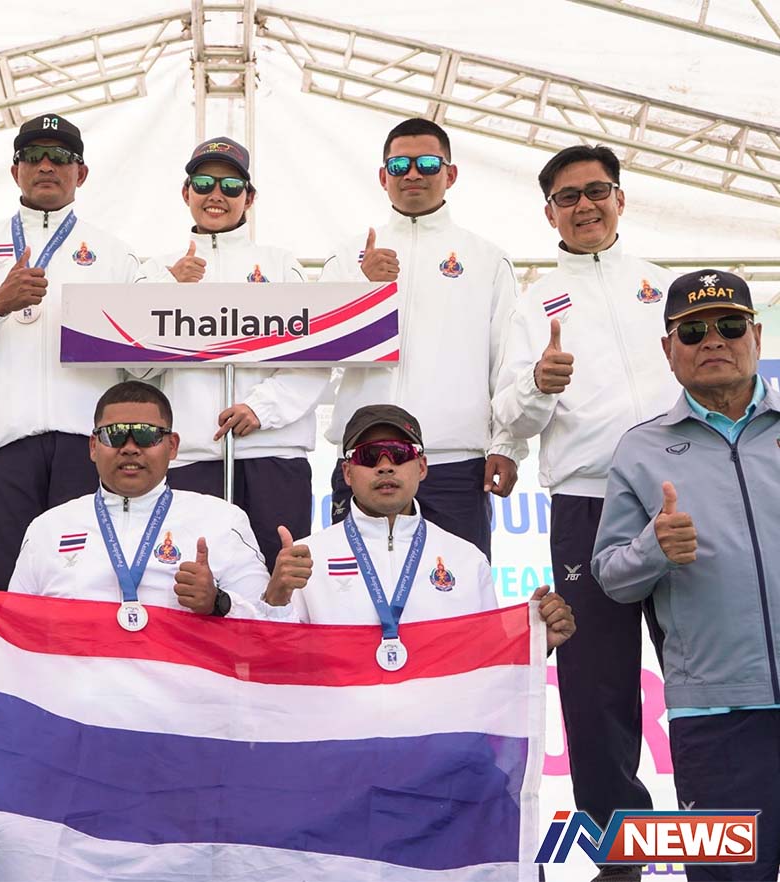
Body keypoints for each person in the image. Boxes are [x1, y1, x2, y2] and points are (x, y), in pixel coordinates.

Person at [493, 144, 679, 881]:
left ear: (620, 199)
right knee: (595, 681)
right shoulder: (534, 303)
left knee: (701, 673)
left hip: (681, 496)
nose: (584, 206)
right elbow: (510, 418)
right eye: (567, 197)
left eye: (596, 191)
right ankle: (621, 852)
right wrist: (539, 383)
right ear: (550, 214)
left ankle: (724, 835)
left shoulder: (663, 287)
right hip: (587, 503)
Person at [593, 269, 779, 882]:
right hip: (715, 721)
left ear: (757, 336)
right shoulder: (640, 449)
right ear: (668, 350)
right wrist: (653, 548)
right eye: (693, 331)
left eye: (729, 326)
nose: (713, 340)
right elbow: (612, 577)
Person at [0, 113, 143, 593]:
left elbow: (141, 369)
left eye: (60, 157)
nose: (46, 165)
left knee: (84, 594)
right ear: (15, 170)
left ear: (80, 173)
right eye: (33, 156)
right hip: (2, 450)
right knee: (1, 595)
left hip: (87, 450)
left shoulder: (116, 256)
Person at [0, 381, 294, 645]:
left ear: (172, 446)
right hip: (74, 721)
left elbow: (269, 635)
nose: (130, 447)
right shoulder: (48, 528)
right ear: (92, 446)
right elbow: (14, 643)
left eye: (146, 435)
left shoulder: (221, 520)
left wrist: (218, 603)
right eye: (114, 435)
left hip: (184, 720)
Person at [319, 118, 523, 560]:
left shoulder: (487, 259)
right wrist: (363, 291)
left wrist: (507, 444)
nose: (413, 173)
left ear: (451, 173)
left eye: (428, 163)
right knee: (356, 590)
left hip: (454, 462)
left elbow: (507, 360)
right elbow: (321, 358)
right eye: (400, 165)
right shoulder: (347, 258)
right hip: (365, 458)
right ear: (383, 176)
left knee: (458, 591)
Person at [139, 136, 327, 567]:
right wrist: (169, 290)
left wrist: (262, 408)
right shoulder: (155, 270)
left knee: (279, 578)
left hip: (273, 452)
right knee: (191, 582)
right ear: (186, 192)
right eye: (204, 183)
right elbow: (135, 370)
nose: (216, 195)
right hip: (190, 456)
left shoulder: (281, 265)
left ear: (250, 197)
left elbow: (316, 356)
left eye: (230, 186)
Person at [262, 404, 575, 658]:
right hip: (341, 718)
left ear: (422, 467)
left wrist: (536, 642)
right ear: (347, 472)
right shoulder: (306, 559)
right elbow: (275, 663)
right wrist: (275, 599)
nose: (385, 466)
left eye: (399, 453)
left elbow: (484, 664)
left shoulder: (466, 559)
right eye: (369, 455)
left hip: (436, 720)